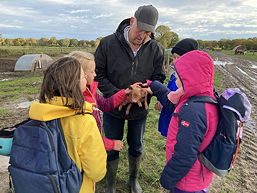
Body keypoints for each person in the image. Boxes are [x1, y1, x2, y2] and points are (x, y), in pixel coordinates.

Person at [94, 5, 166, 193]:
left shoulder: (157, 49)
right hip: (112, 107)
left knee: (137, 146)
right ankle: (110, 183)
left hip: (139, 110)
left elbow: (158, 78)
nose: (142, 36)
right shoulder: (108, 43)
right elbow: (98, 74)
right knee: (112, 146)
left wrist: (144, 90)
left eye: (148, 32)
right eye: (140, 29)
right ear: (131, 21)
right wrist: (121, 95)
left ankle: (133, 180)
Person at [29, 57, 107, 193]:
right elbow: (97, 172)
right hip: (76, 187)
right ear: (75, 83)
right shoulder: (84, 121)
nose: (86, 77)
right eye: (83, 76)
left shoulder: (37, 114)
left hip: (44, 185)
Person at [145, 50, 219, 192]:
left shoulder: (193, 110)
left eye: (178, 73)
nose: (175, 76)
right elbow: (171, 100)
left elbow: (185, 153)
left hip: (186, 181)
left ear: (189, 76)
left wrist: (168, 179)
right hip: (197, 176)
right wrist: (153, 85)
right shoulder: (203, 96)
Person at [68, 51, 139, 152]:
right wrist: (111, 144)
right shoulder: (76, 101)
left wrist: (125, 92)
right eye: (92, 71)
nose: (95, 74)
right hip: (84, 151)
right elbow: (87, 137)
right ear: (80, 74)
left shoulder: (90, 91)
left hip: (93, 145)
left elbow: (105, 104)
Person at [155, 38, 199, 137]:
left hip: (178, 120)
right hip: (169, 115)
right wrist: (161, 100)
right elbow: (169, 91)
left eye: (177, 58)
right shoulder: (175, 75)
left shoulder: (190, 81)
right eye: (173, 57)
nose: (174, 61)